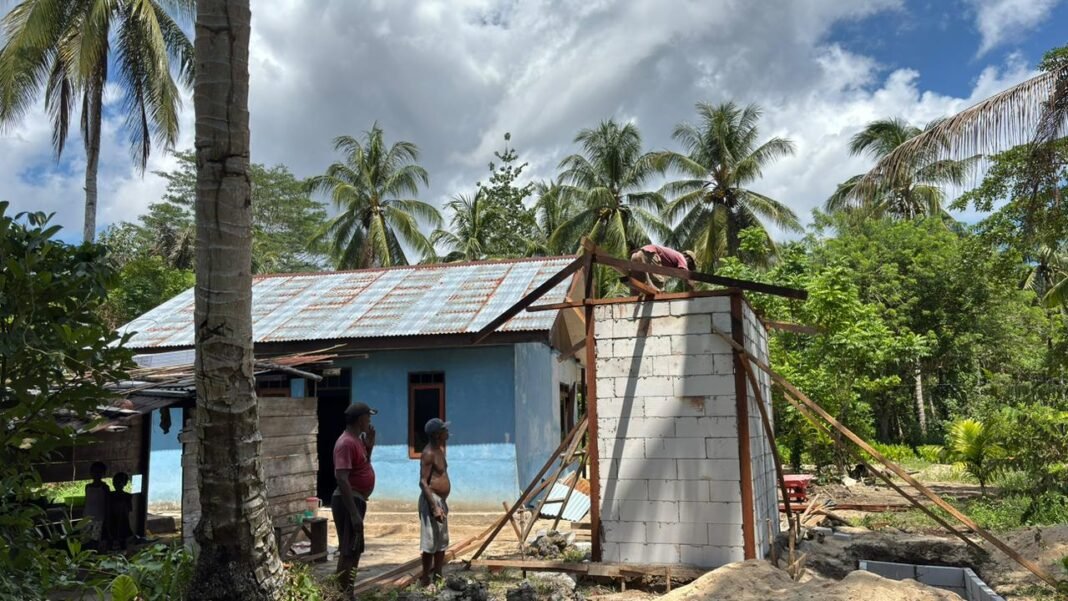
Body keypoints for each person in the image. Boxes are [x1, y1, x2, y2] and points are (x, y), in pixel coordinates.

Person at [331, 401, 377, 595]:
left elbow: (363, 466)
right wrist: (353, 514)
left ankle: (347, 593)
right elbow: (341, 478)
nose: (370, 421)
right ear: (360, 420)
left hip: (357, 500)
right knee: (348, 551)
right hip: (347, 502)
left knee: (355, 549)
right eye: (368, 417)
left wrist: (370, 446)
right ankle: (341, 594)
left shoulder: (357, 440)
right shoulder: (346, 443)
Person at [418, 418, 451, 586]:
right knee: (430, 542)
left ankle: (438, 576)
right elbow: (423, 482)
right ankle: (425, 578)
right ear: (438, 434)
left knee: (441, 540)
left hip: (441, 501)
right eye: (445, 430)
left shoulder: (439, 449)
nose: (448, 432)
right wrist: (434, 507)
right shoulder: (429, 453)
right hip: (431, 501)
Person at [627, 244, 697, 293]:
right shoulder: (682, 258)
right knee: (659, 286)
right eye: (690, 264)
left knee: (636, 286)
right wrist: (694, 291)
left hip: (636, 255)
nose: (689, 267)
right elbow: (686, 276)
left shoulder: (673, 257)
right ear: (688, 258)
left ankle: (632, 303)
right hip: (648, 255)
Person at [83, 461, 110, 549]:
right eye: (94, 471)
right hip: (87, 517)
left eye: (99, 472)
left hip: (99, 518)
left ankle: (95, 554)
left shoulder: (104, 487)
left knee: (95, 539)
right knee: (86, 539)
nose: (96, 474)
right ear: (91, 473)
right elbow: (86, 501)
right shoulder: (88, 487)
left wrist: (106, 518)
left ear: (103, 473)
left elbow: (107, 504)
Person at [106, 472, 133, 551]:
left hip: (122, 521)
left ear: (124, 484)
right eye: (116, 482)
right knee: (111, 541)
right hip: (112, 520)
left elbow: (129, 510)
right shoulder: (110, 496)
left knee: (122, 542)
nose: (117, 484)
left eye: (119, 482)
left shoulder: (127, 496)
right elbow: (129, 509)